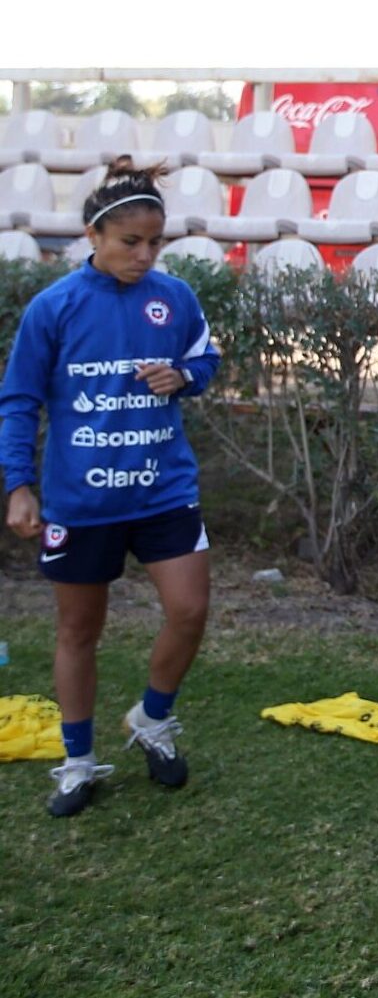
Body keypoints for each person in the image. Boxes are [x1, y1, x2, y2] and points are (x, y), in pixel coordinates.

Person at [0, 160, 222, 817]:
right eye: (132, 241)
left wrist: (183, 375)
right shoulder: (55, 307)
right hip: (80, 499)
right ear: (93, 234)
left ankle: (151, 718)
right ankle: (77, 760)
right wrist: (19, 485)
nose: (146, 254)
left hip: (163, 489)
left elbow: (205, 359)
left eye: (157, 241)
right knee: (78, 631)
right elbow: (18, 400)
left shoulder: (175, 297)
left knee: (189, 611)